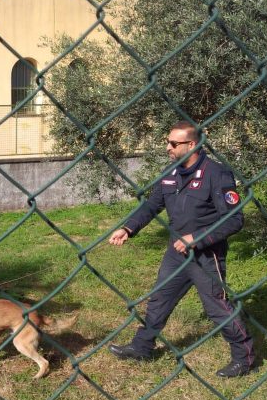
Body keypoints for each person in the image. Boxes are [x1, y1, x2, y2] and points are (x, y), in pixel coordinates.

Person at [107, 121, 254, 378]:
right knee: (160, 298)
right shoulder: (170, 173)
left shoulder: (217, 174)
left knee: (216, 308)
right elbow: (151, 206)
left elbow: (234, 220)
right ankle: (142, 347)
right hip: (176, 253)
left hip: (206, 255)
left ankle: (244, 358)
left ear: (192, 144)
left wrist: (196, 238)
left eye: (174, 143)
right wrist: (128, 228)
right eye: (168, 142)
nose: (168, 148)